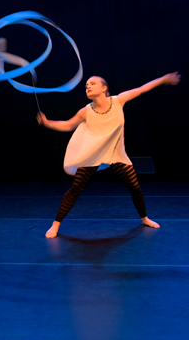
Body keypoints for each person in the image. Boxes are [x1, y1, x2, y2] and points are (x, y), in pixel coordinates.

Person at [37, 73, 181, 239]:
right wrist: (48, 123)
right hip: (93, 154)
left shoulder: (118, 101)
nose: (88, 86)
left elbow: (143, 89)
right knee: (76, 189)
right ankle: (55, 225)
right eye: (86, 85)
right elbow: (69, 125)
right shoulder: (85, 111)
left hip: (115, 153)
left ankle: (145, 219)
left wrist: (163, 80)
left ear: (104, 88)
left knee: (135, 187)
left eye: (92, 83)